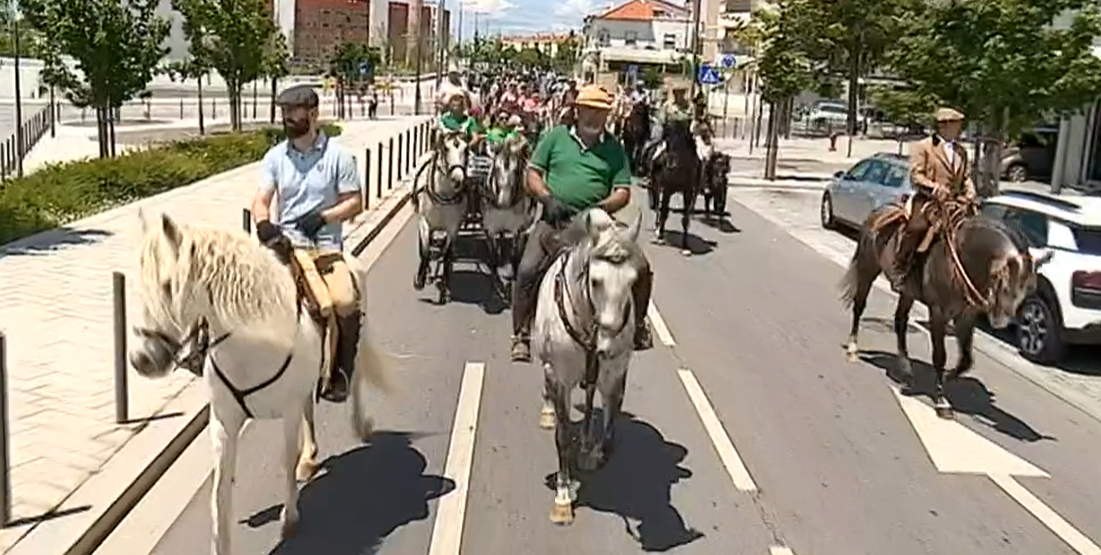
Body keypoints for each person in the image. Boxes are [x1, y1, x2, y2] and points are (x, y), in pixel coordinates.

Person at [509, 84, 654, 362]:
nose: (594, 117)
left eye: (600, 112)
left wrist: (601, 207)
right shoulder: (555, 138)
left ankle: (638, 328)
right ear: (577, 111)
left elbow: (622, 191)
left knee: (642, 267)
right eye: (589, 110)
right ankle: (521, 335)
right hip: (556, 220)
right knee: (527, 270)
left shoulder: (614, 149)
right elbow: (533, 174)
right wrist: (547, 198)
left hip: (598, 225)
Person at [251, 85, 364, 403]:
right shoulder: (275, 157)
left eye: (293, 112)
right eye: (284, 112)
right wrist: (264, 224)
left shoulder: (339, 156)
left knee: (344, 301)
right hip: (285, 244)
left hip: (325, 247)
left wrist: (324, 217)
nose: (286, 117)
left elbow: (355, 202)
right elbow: (261, 200)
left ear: (313, 114)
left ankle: (341, 372)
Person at [889, 106, 977, 292]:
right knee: (917, 228)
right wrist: (934, 187)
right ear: (943, 126)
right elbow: (916, 175)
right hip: (928, 199)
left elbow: (966, 177)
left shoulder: (961, 151)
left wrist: (971, 190)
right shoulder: (923, 147)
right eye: (956, 125)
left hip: (955, 202)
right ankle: (901, 268)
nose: (959, 128)